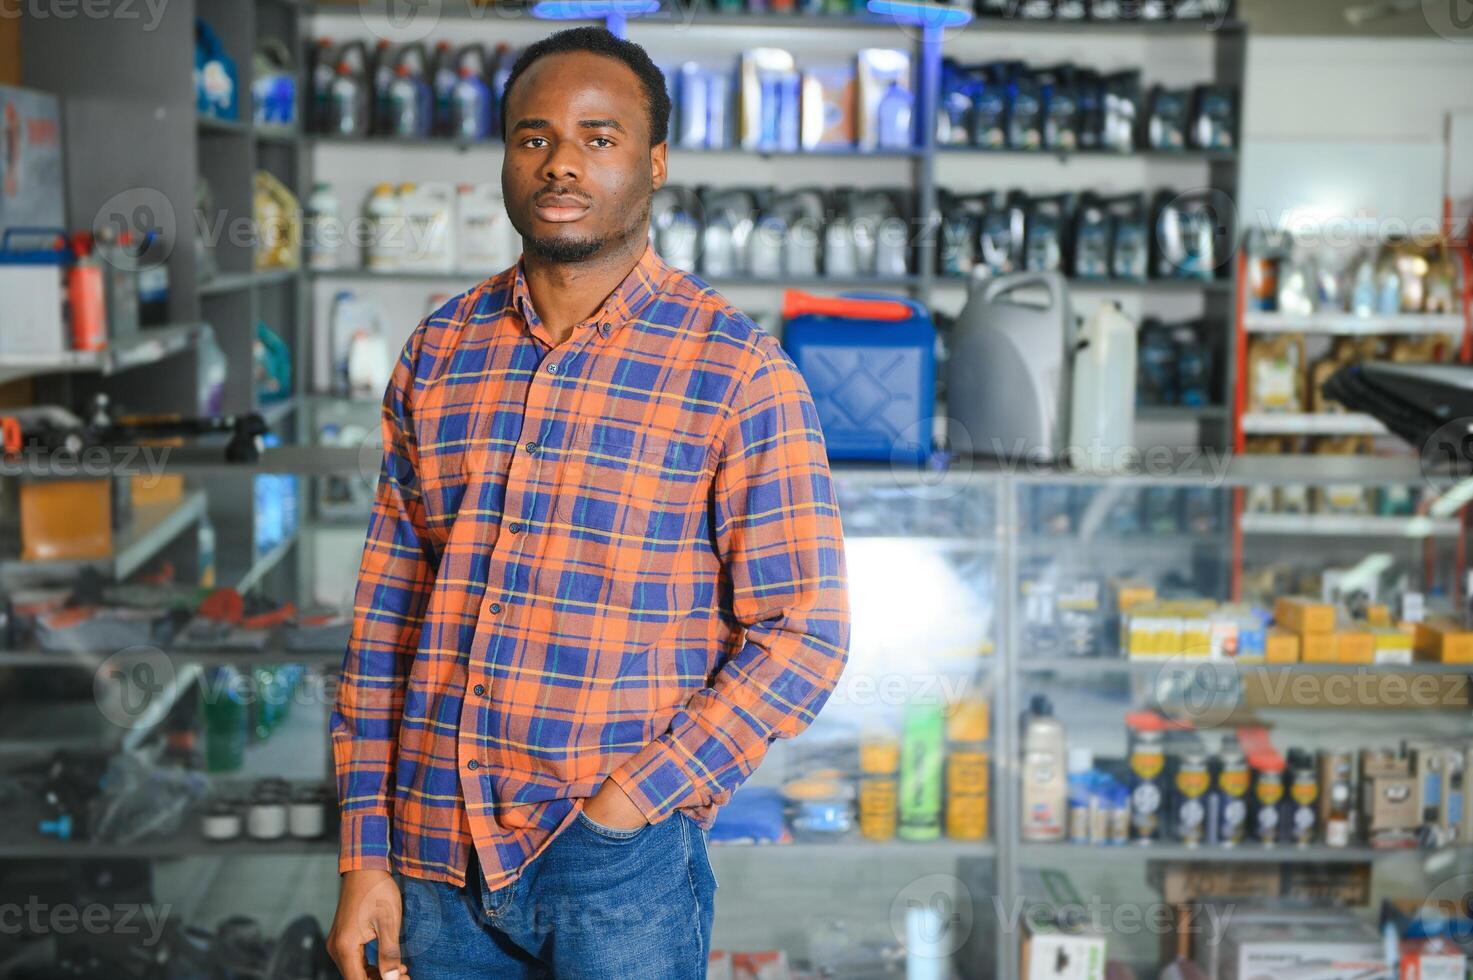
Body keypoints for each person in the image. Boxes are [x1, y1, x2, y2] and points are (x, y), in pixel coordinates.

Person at [326, 26, 851, 980]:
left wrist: (627, 809)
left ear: (653, 162)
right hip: (433, 856)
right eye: (533, 138)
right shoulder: (439, 352)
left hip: (618, 873)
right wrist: (363, 851)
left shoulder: (735, 370)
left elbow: (801, 636)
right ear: (505, 159)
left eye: (598, 138)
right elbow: (385, 623)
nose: (562, 162)